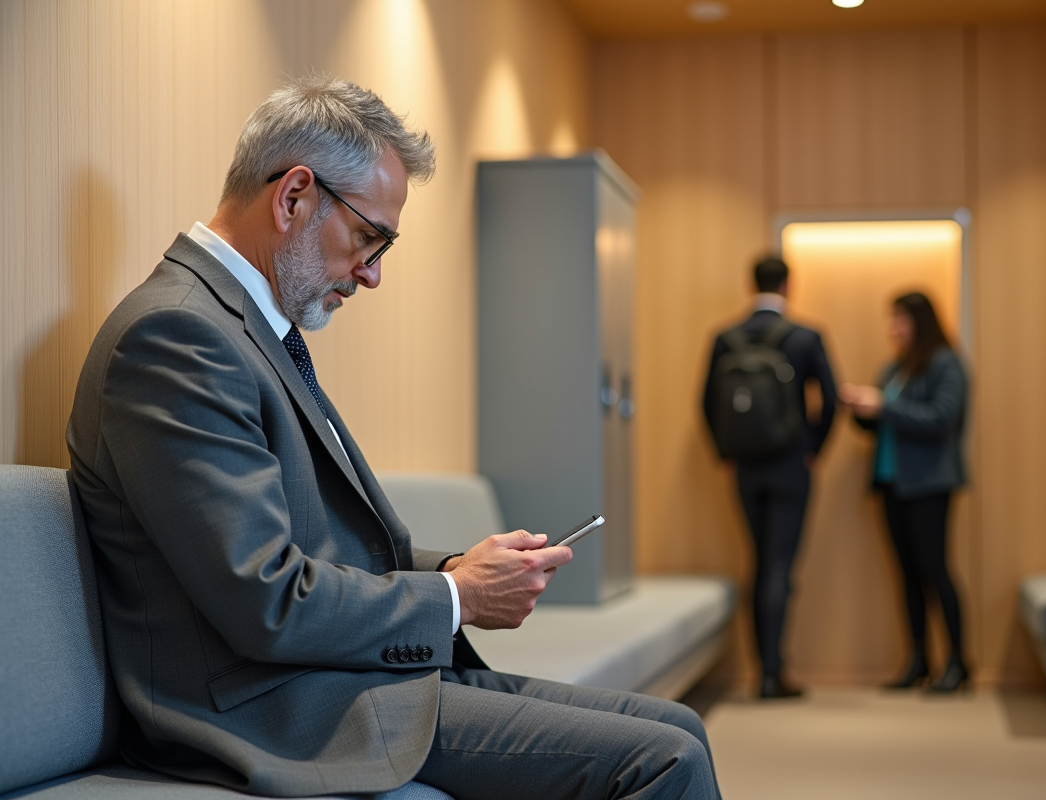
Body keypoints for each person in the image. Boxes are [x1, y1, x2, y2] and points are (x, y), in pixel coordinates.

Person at [66, 75, 720, 800]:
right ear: (293, 197)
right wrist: (455, 597)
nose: (372, 275)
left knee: (679, 727)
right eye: (369, 238)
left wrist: (464, 566)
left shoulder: (243, 330)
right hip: (270, 707)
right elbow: (266, 600)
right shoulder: (178, 337)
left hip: (336, 677)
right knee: (665, 761)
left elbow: (319, 548)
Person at [702, 255, 837, 700]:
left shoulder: (726, 337)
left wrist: (726, 452)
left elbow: (705, 404)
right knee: (779, 565)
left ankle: (761, 671)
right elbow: (831, 401)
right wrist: (813, 449)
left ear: (750, 284)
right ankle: (773, 674)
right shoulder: (805, 336)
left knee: (758, 562)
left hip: (745, 467)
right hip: (790, 465)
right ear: (788, 287)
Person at [839, 291, 970, 693]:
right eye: (890, 319)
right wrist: (862, 409)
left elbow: (941, 419)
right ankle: (918, 660)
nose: (892, 328)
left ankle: (957, 664)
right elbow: (884, 424)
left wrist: (883, 407)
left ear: (921, 321)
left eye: (900, 319)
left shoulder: (947, 363)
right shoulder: (894, 368)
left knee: (936, 571)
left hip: (929, 484)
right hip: (892, 483)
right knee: (908, 576)